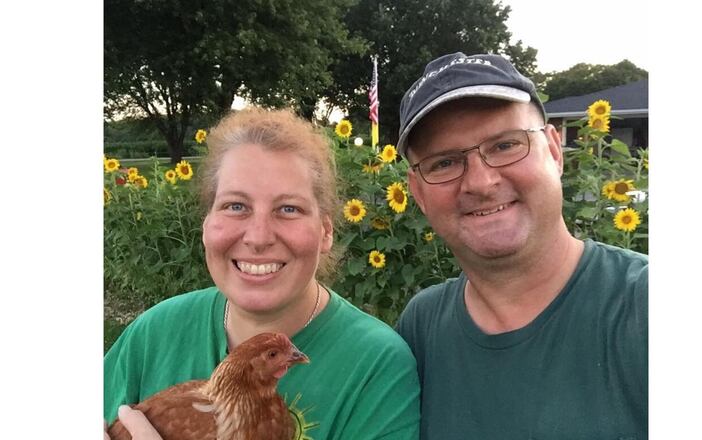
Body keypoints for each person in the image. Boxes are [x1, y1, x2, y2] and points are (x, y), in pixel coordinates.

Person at [104, 107, 420, 439]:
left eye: (289, 209)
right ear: (207, 224)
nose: (258, 237)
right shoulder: (154, 334)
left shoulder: (375, 365)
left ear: (326, 231)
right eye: (235, 206)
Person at [394, 52, 648, 439]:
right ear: (418, 193)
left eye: (505, 145)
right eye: (443, 163)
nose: (481, 182)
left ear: (554, 151)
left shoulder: (643, 307)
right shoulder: (421, 328)